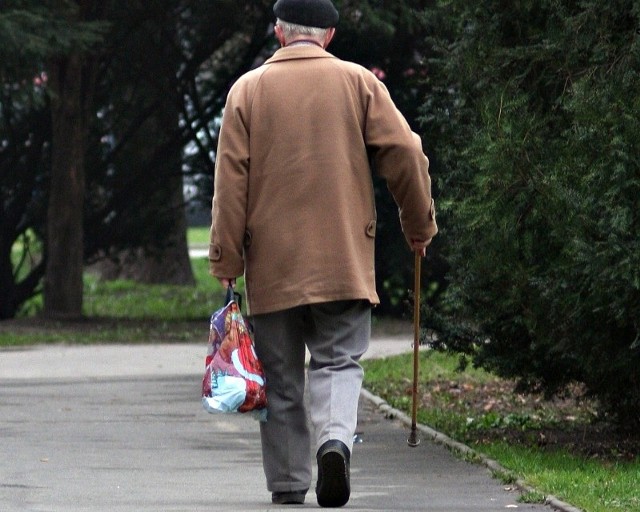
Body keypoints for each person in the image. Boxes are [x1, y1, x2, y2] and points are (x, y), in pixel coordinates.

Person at [209, 0, 437, 507]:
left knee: (282, 378)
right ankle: (334, 441)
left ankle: (289, 484)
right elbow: (405, 151)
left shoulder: (247, 90)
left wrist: (226, 262)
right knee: (337, 363)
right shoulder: (359, 83)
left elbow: (230, 184)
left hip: (272, 265)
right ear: (329, 35)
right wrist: (417, 223)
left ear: (278, 33)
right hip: (344, 259)